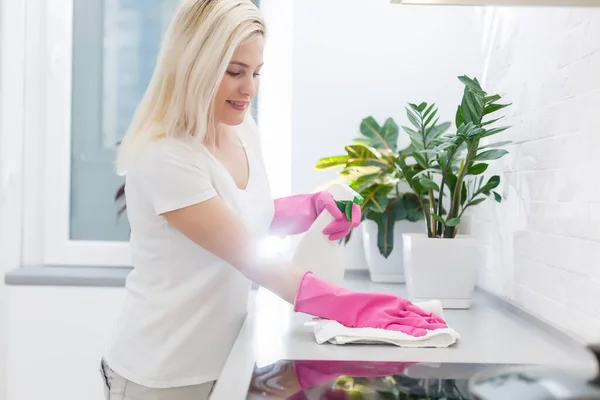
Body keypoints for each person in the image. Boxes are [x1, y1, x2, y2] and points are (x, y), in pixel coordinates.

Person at [100, 0, 448, 399]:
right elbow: (249, 255)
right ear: (195, 66)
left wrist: (310, 206)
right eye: (234, 72)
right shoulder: (165, 156)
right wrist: (356, 307)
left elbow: (239, 218)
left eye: (256, 72)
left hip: (222, 357)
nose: (249, 88)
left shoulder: (240, 129)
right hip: (160, 372)